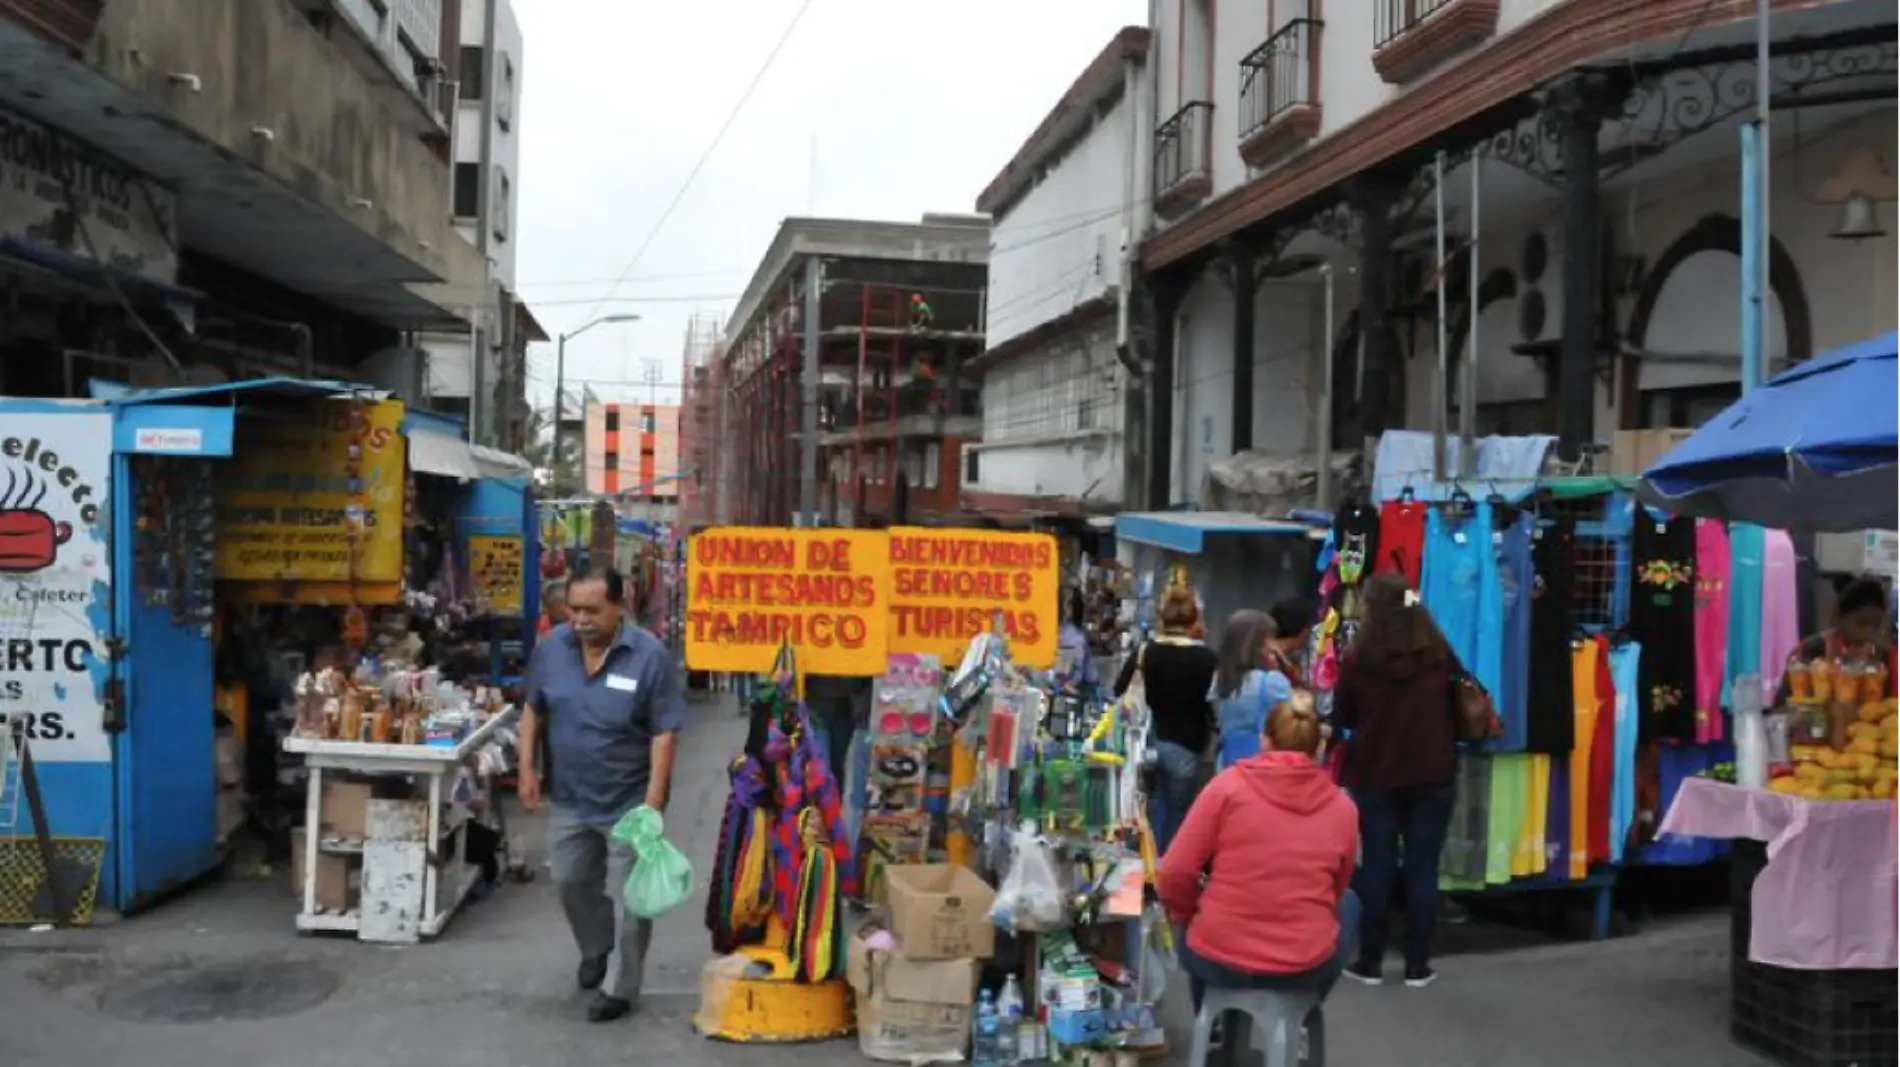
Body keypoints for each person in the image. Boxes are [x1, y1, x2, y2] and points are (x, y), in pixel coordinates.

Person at [519, 565, 688, 1023]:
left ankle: (620, 988)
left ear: (620, 606)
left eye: (592, 610)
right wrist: (526, 768)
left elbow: (664, 734)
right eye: (573, 610)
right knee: (570, 881)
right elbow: (533, 708)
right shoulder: (553, 647)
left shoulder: (650, 658)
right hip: (571, 797)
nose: (580, 620)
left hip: (629, 801)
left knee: (634, 900)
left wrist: (653, 805)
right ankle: (595, 946)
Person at [1159, 692, 1361, 1015]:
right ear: (1319, 749)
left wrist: (1186, 913)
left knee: (1197, 914)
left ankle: (1209, 1022)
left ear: (1264, 740)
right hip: (1303, 965)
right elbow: (1337, 886)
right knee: (1349, 902)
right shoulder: (1343, 807)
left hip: (1218, 957)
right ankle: (1303, 1010)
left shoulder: (1225, 788)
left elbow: (1174, 872)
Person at [1332, 571, 1461, 988]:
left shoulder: (1359, 658)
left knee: (1377, 870)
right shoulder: (1437, 652)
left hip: (1376, 773)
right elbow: (1461, 704)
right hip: (1434, 772)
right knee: (1424, 868)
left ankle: (1369, 961)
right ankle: (1417, 964)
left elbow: (1344, 717)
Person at [1114, 585, 1219, 852]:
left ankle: (1142, 867)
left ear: (1162, 617)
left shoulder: (1145, 652)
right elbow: (1215, 705)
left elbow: (1119, 691)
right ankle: (1164, 871)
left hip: (1144, 742)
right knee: (1178, 814)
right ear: (1194, 619)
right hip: (1187, 746)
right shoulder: (1207, 659)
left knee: (1144, 807)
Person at [1210, 609, 1292, 769]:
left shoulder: (1220, 679)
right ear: (1258, 643)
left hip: (1227, 763)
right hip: (1263, 766)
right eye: (1271, 639)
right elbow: (1293, 722)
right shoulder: (1272, 683)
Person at [1057, 587, 1100, 693]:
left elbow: (1075, 670)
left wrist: (1064, 685)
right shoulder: (1070, 631)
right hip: (1083, 686)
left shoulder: (1070, 635)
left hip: (1077, 690)